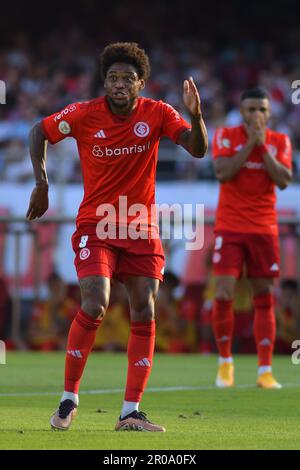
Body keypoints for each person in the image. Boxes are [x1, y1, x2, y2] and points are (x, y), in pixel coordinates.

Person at [26, 42, 208, 432]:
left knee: (145, 310)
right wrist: (42, 183)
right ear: (104, 82)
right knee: (95, 304)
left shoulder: (158, 113)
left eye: (128, 78)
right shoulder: (83, 113)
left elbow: (196, 150)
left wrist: (196, 116)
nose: (119, 84)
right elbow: (37, 131)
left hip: (141, 228)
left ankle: (130, 412)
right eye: (112, 78)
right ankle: (68, 399)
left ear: (141, 83)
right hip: (97, 224)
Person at [211, 86, 292, 389]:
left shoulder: (279, 141)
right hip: (230, 226)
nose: (257, 114)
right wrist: (249, 146)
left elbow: (284, 180)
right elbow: (222, 172)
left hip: (263, 228)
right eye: (251, 109)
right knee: (222, 292)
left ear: (269, 113)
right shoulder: (225, 136)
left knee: (264, 296)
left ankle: (265, 370)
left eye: (262, 109)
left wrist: (263, 148)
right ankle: (225, 363)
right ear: (241, 112)